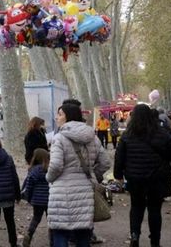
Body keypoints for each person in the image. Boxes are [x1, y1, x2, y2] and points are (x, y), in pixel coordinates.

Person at [114, 104, 171, 247]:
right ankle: (155, 241)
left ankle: (134, 237)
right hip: (157, 179)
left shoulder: (127, 135)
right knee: (155, 210)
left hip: (135, 178)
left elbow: (119, 157)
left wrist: (119, 175)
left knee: (136, 208)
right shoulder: (162, 134)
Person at [46, 103, 110, 247]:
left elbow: (55, 166)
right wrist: (92, 174)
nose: (57, 117)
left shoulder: (59, 138)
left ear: (68, 116)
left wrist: (49, 178)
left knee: (60, 232)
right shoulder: (93, 137)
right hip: (85, 190)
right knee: (83, 234)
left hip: (61, 193)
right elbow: (105, 162)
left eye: (60, 114)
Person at [22, 148, 50, 247]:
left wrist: (28, 198)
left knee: (36, 219)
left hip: (37, 200)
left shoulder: (33, 171)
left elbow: (28, 187)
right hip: (49, 200)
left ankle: (29, 234)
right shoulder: (50, 170)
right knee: (51, 220)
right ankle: (53, 241)